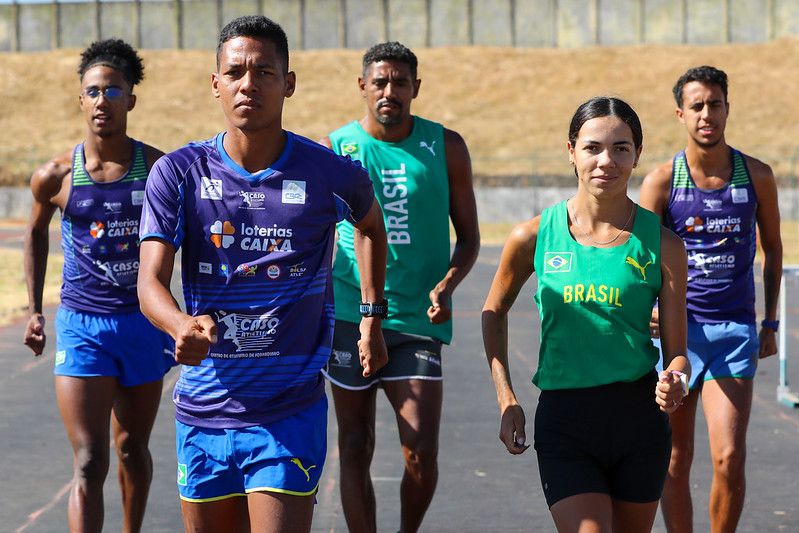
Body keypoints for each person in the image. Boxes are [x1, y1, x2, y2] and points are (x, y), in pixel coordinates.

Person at [136, 15, 388, 532]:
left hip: (288, 409)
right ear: (216, 84)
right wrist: (179, 325)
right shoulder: (179, 173)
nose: (248, 84)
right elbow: (150, 282)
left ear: (288, 83)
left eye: (265, 72)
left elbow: (370, 226)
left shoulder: (329, 173)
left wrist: (370, 313)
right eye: (235, 73)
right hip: (204, 409)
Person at [482, 96, 691, 532]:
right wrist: (507, 398)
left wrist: (677, 381)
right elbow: (493, 311)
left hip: (640, 423)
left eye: (621, 148)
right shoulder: (533, 235)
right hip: (567, 422)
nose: (606, 161)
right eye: (593, 147)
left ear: (637, 155)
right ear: (571, 151)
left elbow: (677, 352)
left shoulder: (664, 244)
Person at [320, 41, 480, 533]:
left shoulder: (445, 145)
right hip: (350, 315)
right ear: (363, 86)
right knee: (354, 444)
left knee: (421, 450)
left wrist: (448, 284)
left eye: (401, 82)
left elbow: (470, 238)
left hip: (415, 319)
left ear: (415, 87)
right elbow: (317, 233)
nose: (390, 91)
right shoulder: (337, 147)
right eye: (381, 82)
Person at [22, 39, 175, 532]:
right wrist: (34, 310)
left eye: (114, 90)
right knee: (89, 461)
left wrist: (182, 314)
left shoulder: (158, 169)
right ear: (80, 99)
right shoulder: (55, 176)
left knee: (131, 449)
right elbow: (34, 237)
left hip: (142, 325)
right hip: (82, 326)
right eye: (93, 91)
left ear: (131, 98)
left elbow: (188, 242)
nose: (103, 100)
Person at [639, 66, 782, 533]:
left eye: (715, 104)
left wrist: (771, 324)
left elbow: (774, 249)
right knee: (675, 460)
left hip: (735, 331)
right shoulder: (662, 181)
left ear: (727, 108)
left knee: (729, 458)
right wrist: (650, 312)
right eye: (696, 106)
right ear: (681, 113)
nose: (706, 114)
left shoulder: (757, 175)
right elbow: (637, 257)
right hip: (681, 337)